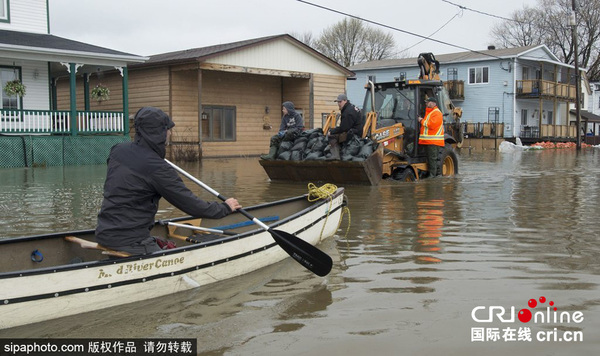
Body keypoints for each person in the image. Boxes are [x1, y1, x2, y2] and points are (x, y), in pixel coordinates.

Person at [95, 106, 241, 255]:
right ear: (158, 132)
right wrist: (225, 208)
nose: (170, 133)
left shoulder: (118, 150)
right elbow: (191, 205)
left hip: (104, 232)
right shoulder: (157, 168)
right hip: (131, 241)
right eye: (168, 129)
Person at [327, 94, 363, 160]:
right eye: (337, 102)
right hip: (356, 131)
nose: (338, 104)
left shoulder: (348, 112)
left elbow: (344, 128)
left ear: (345, 101)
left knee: (332, 137)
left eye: (340, 102)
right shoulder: (351, 107)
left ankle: (335, 156)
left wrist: (332, 131)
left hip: (353, 134)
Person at [418, 97, 445, 177]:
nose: (426, 103)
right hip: (427, 141)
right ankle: (432, 174)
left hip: (434, 141)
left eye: (427, 102)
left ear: (433, 103)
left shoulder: (437, 113)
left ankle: (433, 176)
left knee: (432, 159)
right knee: (429, 159)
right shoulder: (429, 112)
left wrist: (420, 120)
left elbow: (431, 124)